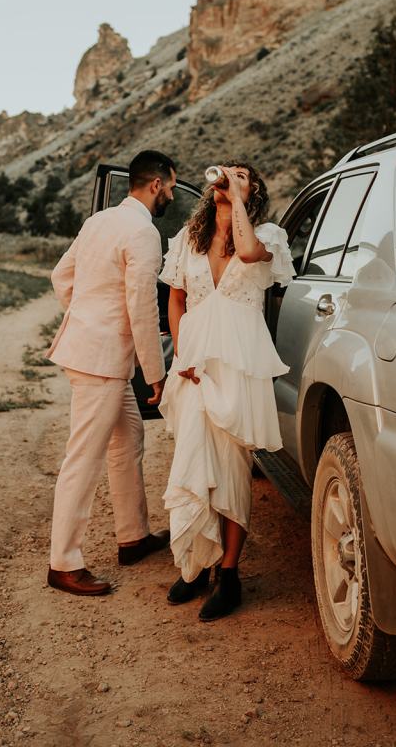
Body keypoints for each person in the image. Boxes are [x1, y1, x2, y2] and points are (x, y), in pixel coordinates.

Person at [158, 162, 294, 621]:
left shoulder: (267, 236)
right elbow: (176, 300)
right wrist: (182, 353)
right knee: (194, 458)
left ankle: (229, 574)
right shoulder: (189, 238)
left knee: (233, 468)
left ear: (254, 191)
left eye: (243, 175)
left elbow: (249, 251)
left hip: (239, 364)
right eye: (227, 173)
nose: (230, 178)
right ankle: (197, 563)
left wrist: (236, 197)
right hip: (194, 362)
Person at [45, 149, 177, 596]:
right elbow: (142, 306)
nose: (171, 195)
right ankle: (63, 563)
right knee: (83, 458)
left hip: (95, 354)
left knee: (129, 437)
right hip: (100, 361)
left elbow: (60, 276)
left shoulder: (98, 221)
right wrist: (156, 373)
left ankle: (133, 536)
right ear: (156, 185)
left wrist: (85, 316)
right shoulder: (143, 232)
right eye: (171, 186)